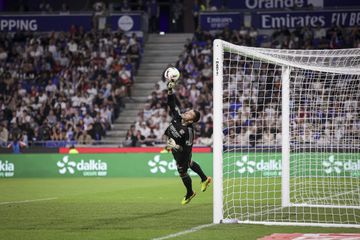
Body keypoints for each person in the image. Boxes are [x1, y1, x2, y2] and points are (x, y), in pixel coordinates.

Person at [164, 73, 211, 205]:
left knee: (183, 171)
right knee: (190, 163)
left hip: (182, 153)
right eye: (188, 111)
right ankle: (204, 179)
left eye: (189, 113)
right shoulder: (178, 117)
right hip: (175, 148)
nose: (186, 112)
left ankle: (190, 193)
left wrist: (175, 146)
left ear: (192, 119)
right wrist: (170, 89)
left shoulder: (189, 131)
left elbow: (186, 149)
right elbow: (171, 104)